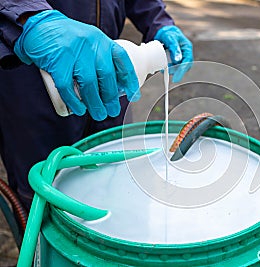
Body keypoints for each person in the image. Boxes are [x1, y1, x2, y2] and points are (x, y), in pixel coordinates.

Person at [0, 0, 193, 210]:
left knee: (120, 183)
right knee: (46, 196)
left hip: (111, 73)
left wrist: (158, 21)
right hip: (33, 81)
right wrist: (25, 16)